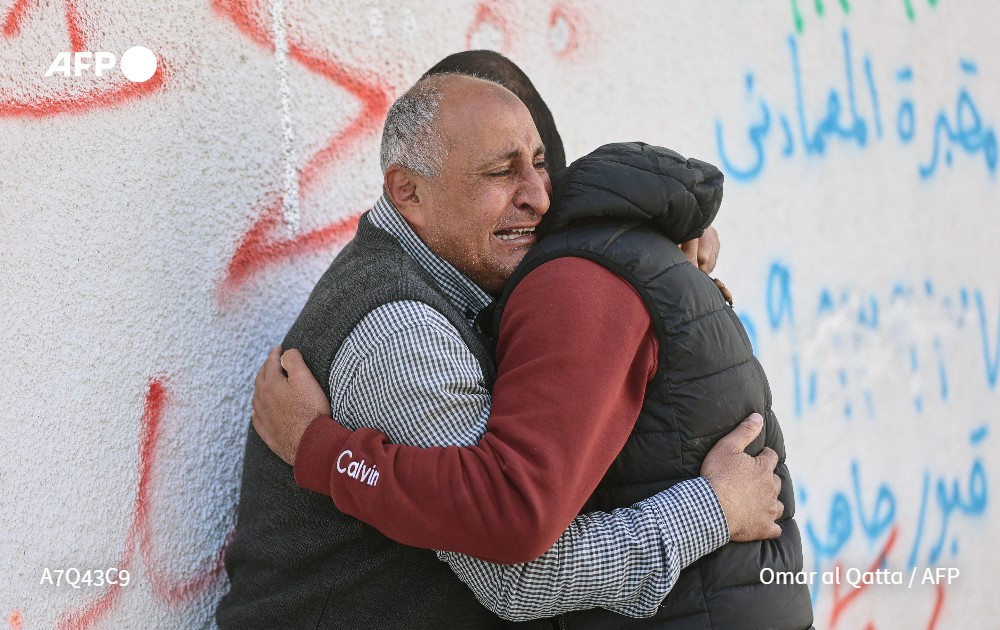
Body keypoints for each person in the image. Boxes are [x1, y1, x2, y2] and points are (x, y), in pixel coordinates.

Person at [220, 63, 808, 629]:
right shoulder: (400, 336)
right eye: (501, 172)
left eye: (541, 163)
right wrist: (712, 509)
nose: (540, 197)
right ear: (409, 194)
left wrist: (667, 243)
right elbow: (522, 575)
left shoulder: (474, 271)